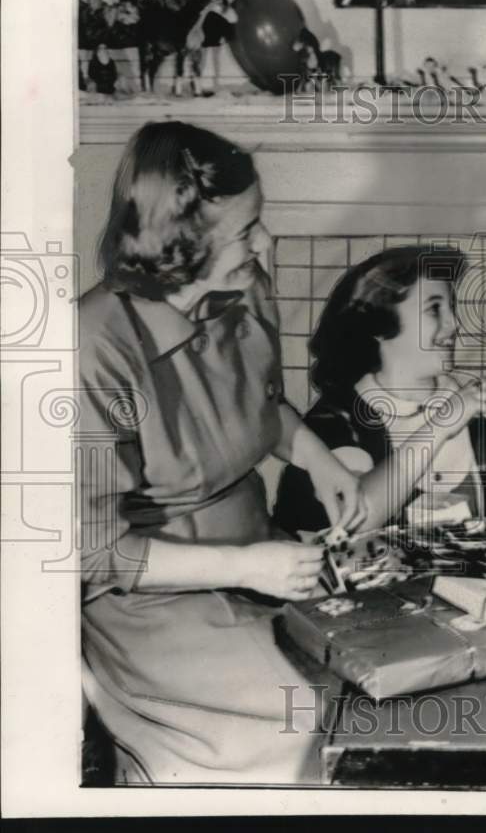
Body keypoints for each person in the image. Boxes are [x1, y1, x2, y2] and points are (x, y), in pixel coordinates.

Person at [78, 121, 365, 783]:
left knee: (368, 684)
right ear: (181, 245)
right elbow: (96, 551)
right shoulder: (96, 346)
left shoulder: (242, 288)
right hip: (152, 600)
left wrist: (316, 456)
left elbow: (263, 406)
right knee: (298, 721)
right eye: (246, 230)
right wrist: (246, 566)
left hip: (258, 560)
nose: (264, 242)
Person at [273, 245, 486, 536]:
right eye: (434, 309)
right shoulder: (337, 419)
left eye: (451, 308)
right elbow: (353, 520)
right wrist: (441, 425)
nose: (454, 324)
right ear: (379, 322)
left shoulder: (478, 405)